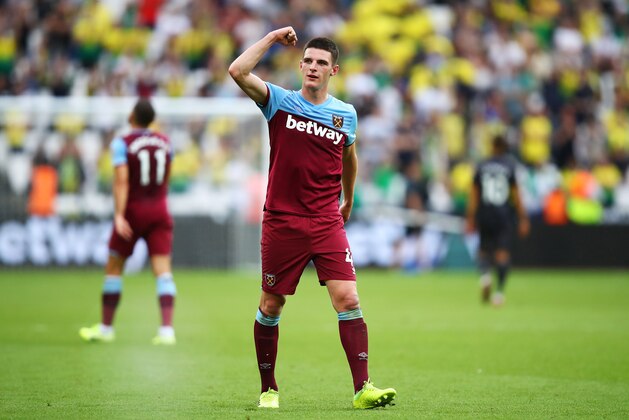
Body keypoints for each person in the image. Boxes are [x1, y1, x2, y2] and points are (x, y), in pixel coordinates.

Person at [228, 27, 397, 409]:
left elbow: (349, 158)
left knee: (348, 297)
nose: (313, 67)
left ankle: (362, 389)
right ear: (300, 65)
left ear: (333, 71)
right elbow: (237, 71)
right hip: (282, 221)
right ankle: (268, 388)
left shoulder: (345, 115)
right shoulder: (279, 102)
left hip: (325, 221)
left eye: (321, 63)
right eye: (308, 61)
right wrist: (272, 38)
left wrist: (348, 198)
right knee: (271, 305)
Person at [79, 98, 177, 345]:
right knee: (163, 271)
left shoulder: (122, 143)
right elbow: (165, 176)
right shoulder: (166, 142)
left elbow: (121, 180)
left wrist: (119, 215)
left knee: (114, 268)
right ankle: (167, 331)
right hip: (159, 209)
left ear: (132, 116)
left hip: (133, 211)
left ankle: (105, 328)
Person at [466, 135, 530, 306]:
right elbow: (517, 195)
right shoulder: (510, 166)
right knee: (502, 254)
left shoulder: (482, 165)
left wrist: (471, 217)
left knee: (483, 251)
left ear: (493, 146)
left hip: (485, 212)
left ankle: (486, 276)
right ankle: (499, 293)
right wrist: (523, 218)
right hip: (503, 214)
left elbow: (474, 194)